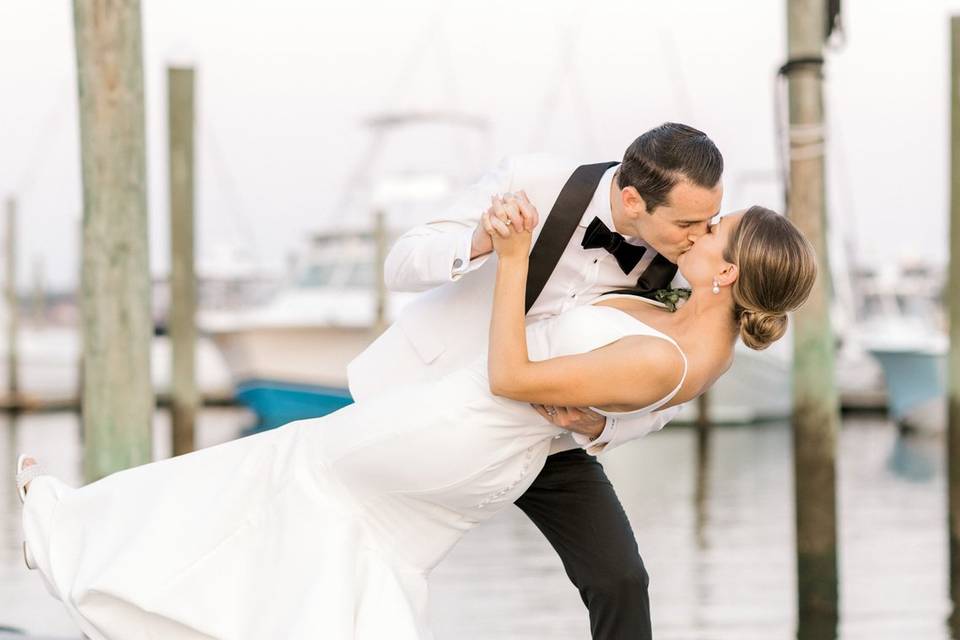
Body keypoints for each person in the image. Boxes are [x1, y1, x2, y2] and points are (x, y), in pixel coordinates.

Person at [15, 200, 816, 639]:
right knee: (339, 531)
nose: (698, 232)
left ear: (730, 272)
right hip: (463, 423)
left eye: (714, 231)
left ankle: (79, 534)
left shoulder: (672, 358)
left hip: (469, 425)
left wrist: (511, 264)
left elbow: (512, 375)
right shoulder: (680, 326)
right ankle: (92, 542)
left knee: (301, 478)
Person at [350, 122, 725, 638]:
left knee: (620, 579)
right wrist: (481, 239)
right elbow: (401, 263)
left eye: (712, 220)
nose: (702, 235)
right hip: (427, 394)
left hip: (543, 436)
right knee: (368, 553)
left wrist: (602, 425)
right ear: (634, 200)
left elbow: (674, 388)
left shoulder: (683, 266)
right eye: (689, 222)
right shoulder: (534, 180)